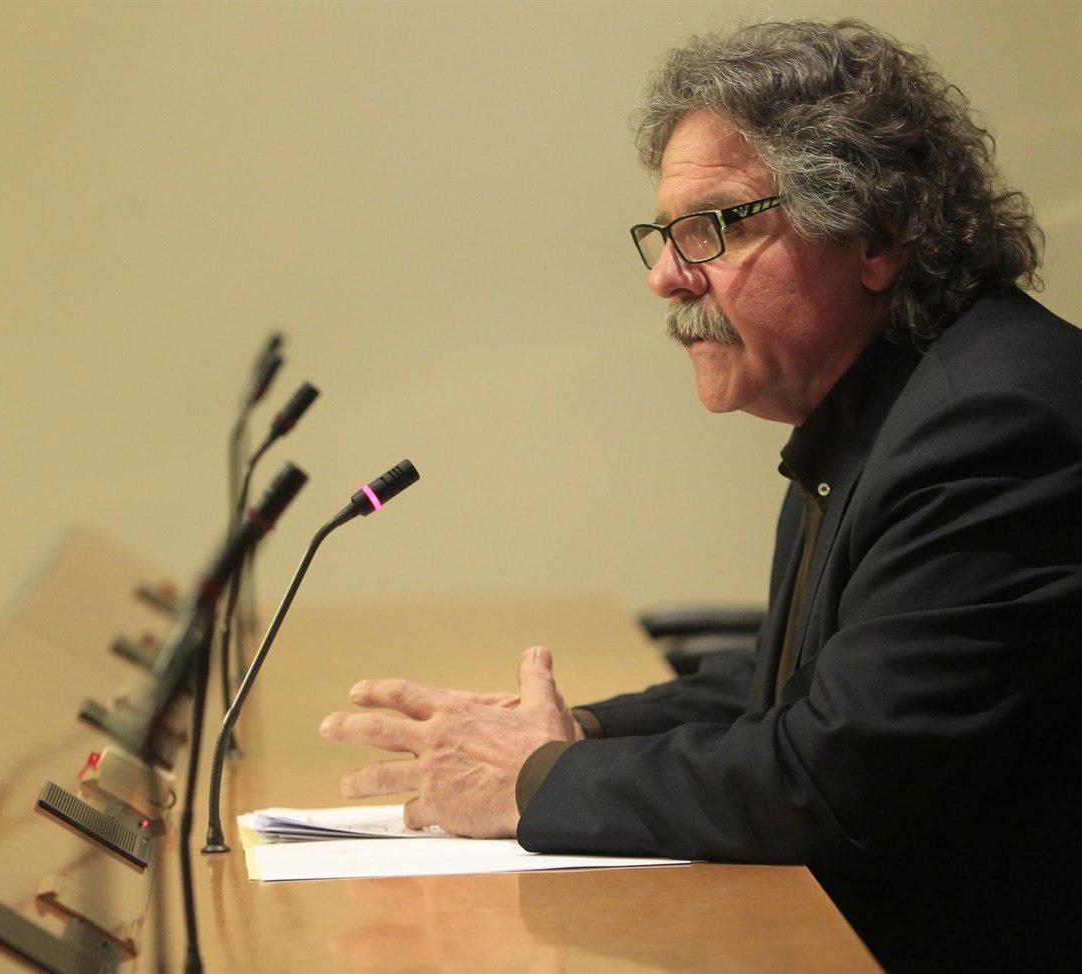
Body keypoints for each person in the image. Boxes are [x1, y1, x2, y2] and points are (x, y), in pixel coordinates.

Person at [319, 19, 1081, 972]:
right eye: (667, 233)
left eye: (717, 227)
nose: (665, 278)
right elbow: (806, 676)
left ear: (879, 237)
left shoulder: (993, 425)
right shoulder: (888, 404)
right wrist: (573, 733)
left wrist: (538, 778)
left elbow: (834, 774)